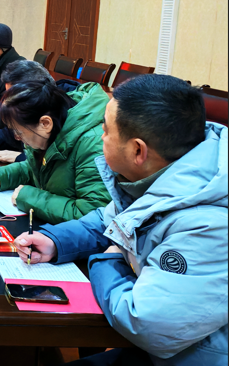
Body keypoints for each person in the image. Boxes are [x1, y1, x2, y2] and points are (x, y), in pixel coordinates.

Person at [14, 75, 227, 366]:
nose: (100, 137)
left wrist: (109, 260)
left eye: (105, 130)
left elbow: (146, 324)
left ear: (138, 150)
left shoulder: (209, 224)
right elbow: (110, 219)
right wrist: (56, 240)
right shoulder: (164, 171)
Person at [0, 80, 112, 223]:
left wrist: (29, 197)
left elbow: (93, 215)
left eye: (18, 132)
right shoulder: (55, 127)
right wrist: (1, 176)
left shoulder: (92, 145)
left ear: (45, 123)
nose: (16, 137)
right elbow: (36, 168)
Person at [0, 60, 60, 163]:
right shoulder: (47, 105)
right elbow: (15, 132)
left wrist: (21, 157)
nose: (9, 101)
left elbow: (58, 165)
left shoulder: (64, 116)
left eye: (14, 97)